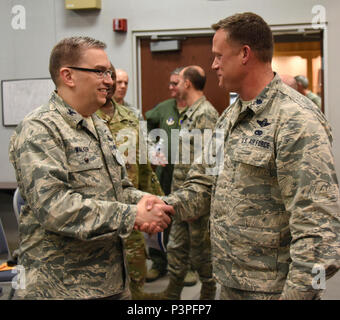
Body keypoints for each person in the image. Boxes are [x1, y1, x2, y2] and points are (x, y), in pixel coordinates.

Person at [163, 12, 340, 300]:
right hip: (231, 284)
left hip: (275, 292)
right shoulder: (230, 117)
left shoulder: (296, 120)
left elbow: (320, 237)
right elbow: (204, 184)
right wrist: (158, 208)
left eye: (219, 56)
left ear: (245, 54)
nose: (213, 65)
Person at [8, 36, 174, 300]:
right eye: (100, 72)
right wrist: (132, 215)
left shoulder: (97, 125)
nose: (109, 80)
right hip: (62, 287)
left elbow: (119, 188)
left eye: (108, 72)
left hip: (110, 282)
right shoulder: (39, 130)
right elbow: (54, 207)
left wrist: (149, 202)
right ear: (68, 76)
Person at [96, 64, 165, 299]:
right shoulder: (86, 117)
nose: (110, 83)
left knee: (137, 272)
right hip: (100, 220)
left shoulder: (129, 116)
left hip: (132, 210)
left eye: (112, 78)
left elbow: (144, 164)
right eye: (102, 77)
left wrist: (154, 200)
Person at [161, 66, 218, 300]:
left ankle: (208, 294)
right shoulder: (190, 113)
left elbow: (211, 162)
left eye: (179, 81)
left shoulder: (206, 113)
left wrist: (198, 203)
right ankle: (172, 292)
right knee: (176, 248)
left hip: (195, 202)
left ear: (188, 83)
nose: (175, 85)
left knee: (202, 255)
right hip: (181, 197)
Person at [145, 68, 198, 286]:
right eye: (169, 83)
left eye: (175, 83)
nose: (171, 88)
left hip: (188, 177)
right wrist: (151, 150)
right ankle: (159, 263)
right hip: (165, 174)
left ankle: (186, 267)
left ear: (186, 84)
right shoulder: (164, 108)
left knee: (185, 220)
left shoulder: (198, 110)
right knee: (159, 216)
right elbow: (146, 126)